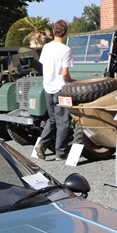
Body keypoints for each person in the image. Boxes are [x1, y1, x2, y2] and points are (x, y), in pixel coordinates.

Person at [34, 19, 74, 161]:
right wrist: (72, 81)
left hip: (48, 87)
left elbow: (44, 65)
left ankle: (42, 144)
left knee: (52, 119)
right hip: (60, 88)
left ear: (53, 31)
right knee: (63, 121)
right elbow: (65, 73)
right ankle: (60, 153)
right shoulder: (66, 50)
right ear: (65, 33)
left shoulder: (46, 47)